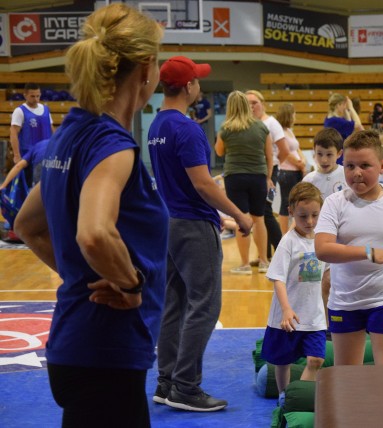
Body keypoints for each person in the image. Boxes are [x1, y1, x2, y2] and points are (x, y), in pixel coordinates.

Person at [13, 5, 168, 426]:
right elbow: (95, 234)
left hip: (76, 345)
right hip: (107, 351)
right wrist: (131, 285)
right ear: (147, 67)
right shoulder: (112, 146)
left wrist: (79, 276)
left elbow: (26, 226)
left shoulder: (69, 134)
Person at [149, 59, 253, 412]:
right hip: (192, 225)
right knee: (205, 305)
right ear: (189, 86)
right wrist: (238, 215)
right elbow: (203, 184)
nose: (201, 88)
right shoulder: (188, 129)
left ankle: (166, 382)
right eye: (198, 82)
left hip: (168, 222)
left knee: (175, 303)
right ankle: (186, 387)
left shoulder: (156, 125)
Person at [315, 130, 383, 367]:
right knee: (349, 378)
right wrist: (369, 252)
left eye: (365, 165)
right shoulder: (335, 203)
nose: (357, 173)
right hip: (345, 301)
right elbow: (322, 249)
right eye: (350, 166)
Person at [261, 182, 326, 400]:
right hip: (287, 316)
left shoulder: (322, 240)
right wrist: (287, 309)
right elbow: (277, 278)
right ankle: (283, 395)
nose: (309, 222)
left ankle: (297, 397)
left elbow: (328, 274)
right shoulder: (288, 242)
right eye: (303, 216)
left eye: (315, 215)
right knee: (282, 361)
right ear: (291, 213)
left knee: (316, 360)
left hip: (314, 316)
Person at [215, 91, 271, 274]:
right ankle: (263, 261)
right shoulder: (261, 127)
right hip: (258, 177)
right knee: (259, 218)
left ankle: (245, 264)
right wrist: (268, 177)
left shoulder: (226, 129)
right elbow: (269, 155)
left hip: (235, 177)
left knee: (241, 219)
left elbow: (219, 152)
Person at [303, 128, 346, 329]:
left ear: (339, 153)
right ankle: (316, 325)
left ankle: (332, 325)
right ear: (314, 153)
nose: (324, 159)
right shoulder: (309, 180)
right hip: (314, 240)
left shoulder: (345, 174)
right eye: (319, 154)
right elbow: (299, 210)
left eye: (329, 154)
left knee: (330, 282)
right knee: (311, 284)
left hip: (339, 239)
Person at [246, 90, 290, 260]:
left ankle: (280, 251)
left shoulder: (271, 123)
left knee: (265, 211)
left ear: (262, 103)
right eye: (247, 103)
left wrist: (272, 169)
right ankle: (265, 255)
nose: (251, 106)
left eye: (254, 102)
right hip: (255, 173)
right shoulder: (249, 124)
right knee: (260, 212)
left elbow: (284, 151)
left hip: (270, 173)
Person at [10, 83, 54, 187]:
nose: (36, 99)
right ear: (25, 95)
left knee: (45, 186)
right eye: (32, 96)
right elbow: (13, 133)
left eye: (38, 96)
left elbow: (52, 130)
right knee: (28, 187)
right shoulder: (20, 111)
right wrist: (16, 155)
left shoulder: (46, 110)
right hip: (28, 155)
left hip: (45, 154)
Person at [275, 103, 307, 233]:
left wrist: (303, 160)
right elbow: (285, 152)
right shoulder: (280, 132)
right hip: (286, 172)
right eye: (293, 114)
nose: (295, 117)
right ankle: (284, 235)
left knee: (295, 202)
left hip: (296, 170)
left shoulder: (289, 130)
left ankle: (294, 230)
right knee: (286, 203)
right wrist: (299, 164)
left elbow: (297, 148)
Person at [324, 93, 364, 164]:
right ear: (338, 105)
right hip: (339, 158)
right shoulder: (336, 121)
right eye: (343, 105)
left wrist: (346, 111)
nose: (344, 107)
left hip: (338, 155)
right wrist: (351, 108)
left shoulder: (329, 119)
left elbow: (348, 124)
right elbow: (358, 124)